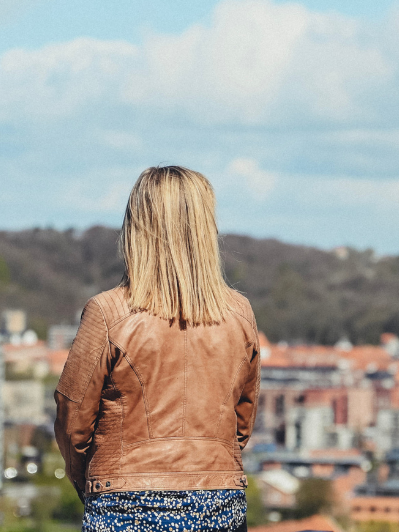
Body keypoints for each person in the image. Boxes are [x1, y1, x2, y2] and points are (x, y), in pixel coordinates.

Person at [55, 166, 261, 532]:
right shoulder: (239, 314)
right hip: (218, 503)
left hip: (124, 504)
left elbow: (73, 418)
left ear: (136, 228)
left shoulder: (107, 312)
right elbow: (241, 423)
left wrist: (91, 478)